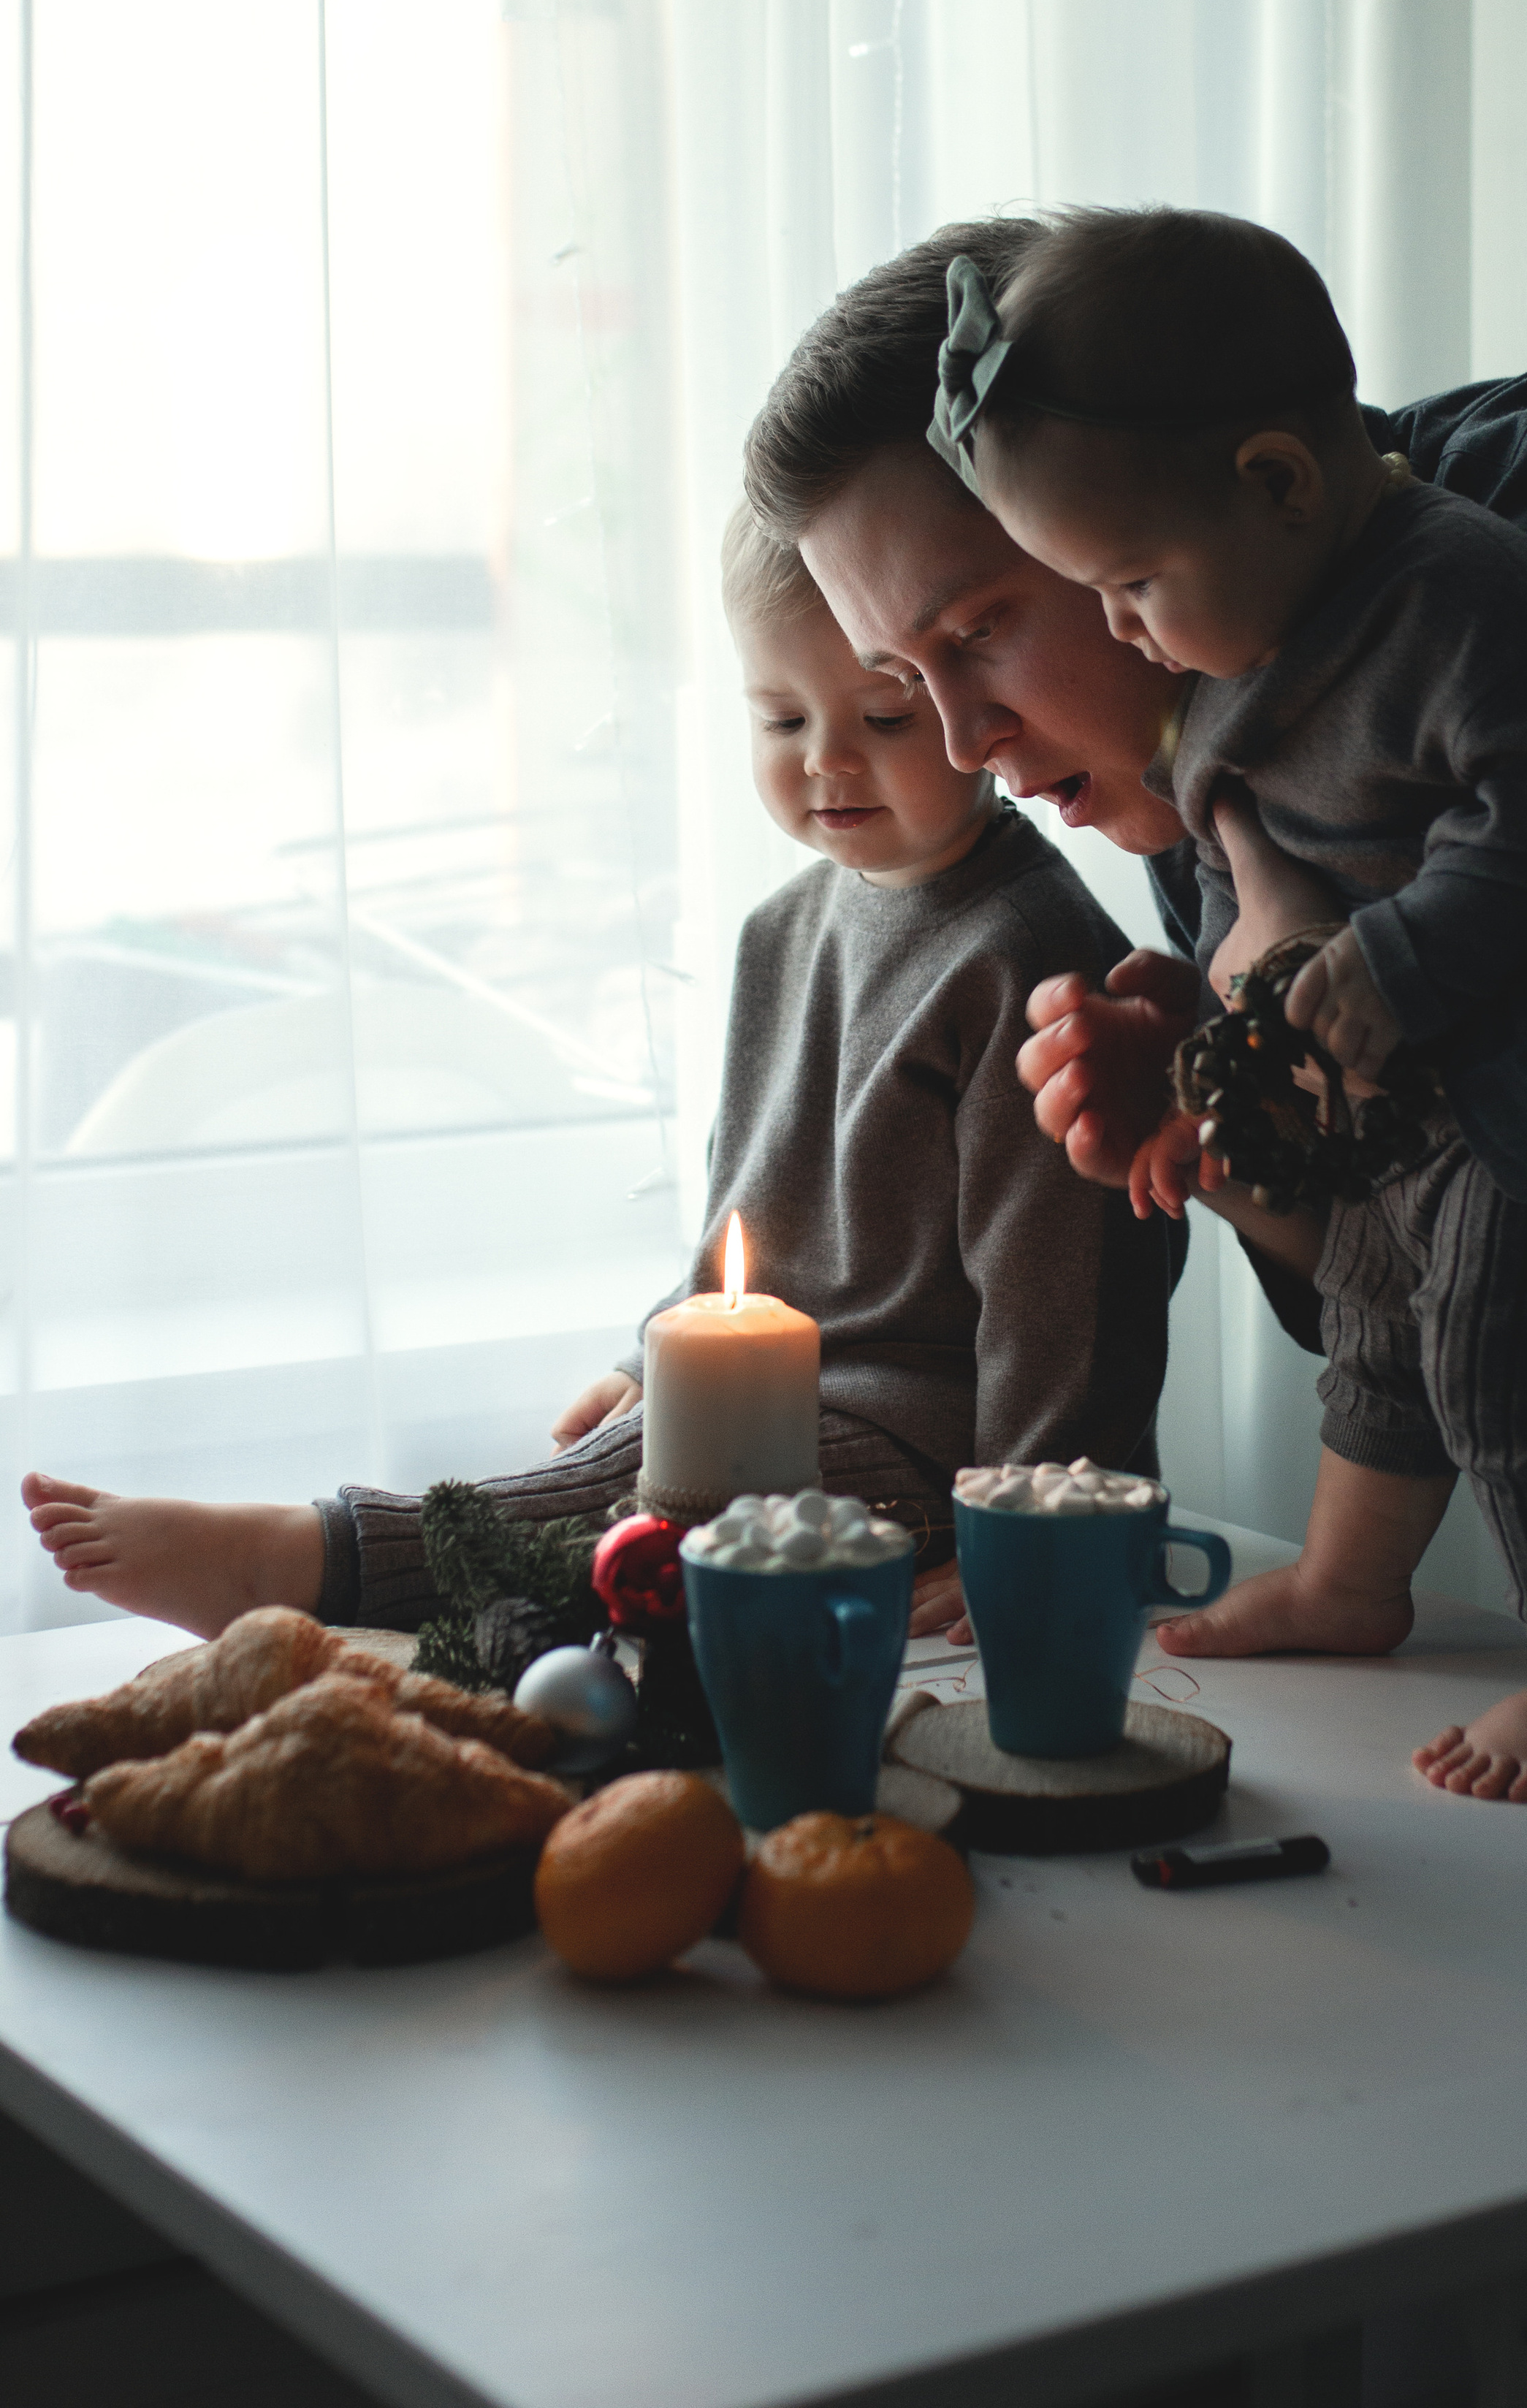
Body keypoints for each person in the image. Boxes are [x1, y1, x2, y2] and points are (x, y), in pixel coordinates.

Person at [742, 211, 1527, 1737]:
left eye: (984, 630)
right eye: (902, 683)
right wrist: (1215, 1127)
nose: (962, 747)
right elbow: (1392, 1241)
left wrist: (1383, 1021)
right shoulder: (1223, 791)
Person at [24, 511, 1182, 1645]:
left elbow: (1068, 1305)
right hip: (785, 1405)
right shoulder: (778, 935)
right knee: (621, 1500)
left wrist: (1026, 1531)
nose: (826, 758)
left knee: (663, 1522)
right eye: (780, 717)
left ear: (967, 705)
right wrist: (656, 1362)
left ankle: (310, 1558)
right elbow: (749, 1229)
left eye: (881, 714)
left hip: (934, 1449)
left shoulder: (1023, 958)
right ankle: (377, 1559)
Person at [923, 203, 1527, 1800]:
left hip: (1526, 1095)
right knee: (1374, 1328)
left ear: (1280, 483)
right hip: (1395, 1115)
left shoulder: (1456, 599)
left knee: (1501, 1369)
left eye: (1127, 583)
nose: (1117, 629)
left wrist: (1399, 959)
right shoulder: (1244, 645)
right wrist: (1221, 1066)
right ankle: (1353, 1583)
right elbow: (1256, 910)